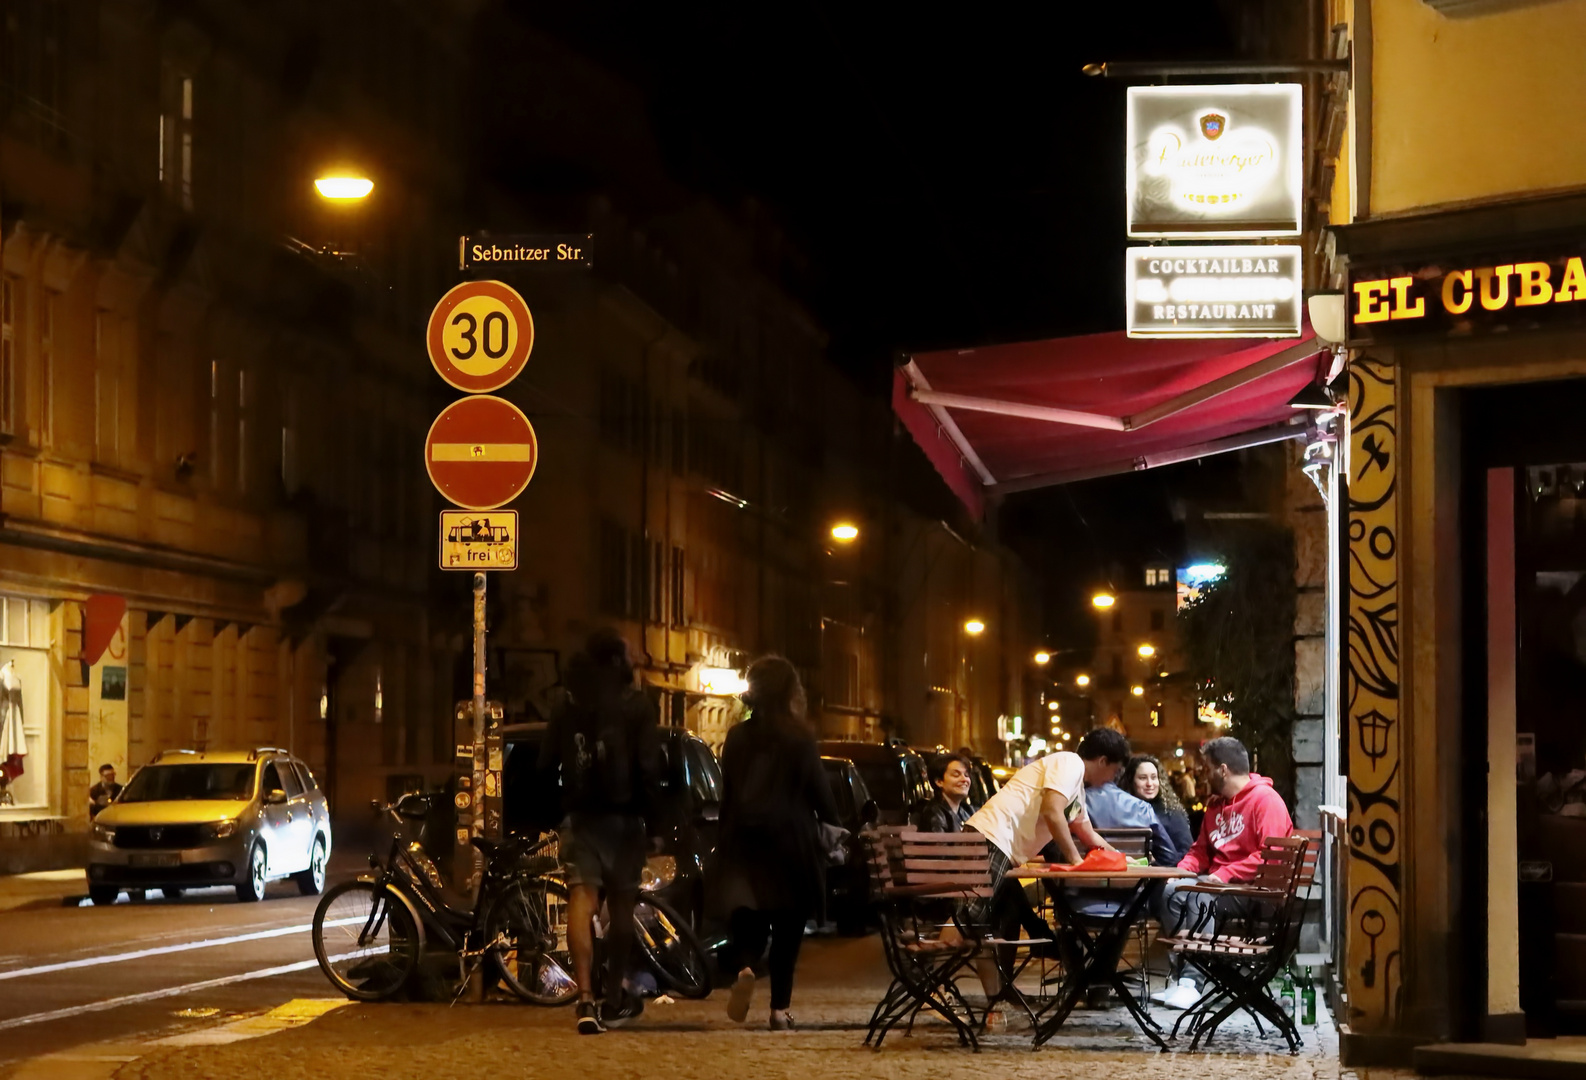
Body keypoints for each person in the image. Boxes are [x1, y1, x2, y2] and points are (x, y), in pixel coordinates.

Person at [537, 629, 662, 1035]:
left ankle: (585, 997)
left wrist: (558, 807)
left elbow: (545, 763)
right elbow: (648, 767)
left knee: (581, 897)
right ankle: (613, 994)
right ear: (616, 662)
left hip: (581, 817)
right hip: (625, 819)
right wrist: (654, 820)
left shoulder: (567, 703)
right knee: (623, 908)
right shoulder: (637, 706)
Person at [956, 728, 1128, 1019]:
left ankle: (999, 993)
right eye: (1115, 771)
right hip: (993, 836)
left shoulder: (1075, 785)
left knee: (1006, 913)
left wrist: (1122, 859)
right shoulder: (1069, 764)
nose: (1112, 778)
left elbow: (1085, 831)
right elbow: (1052, 811)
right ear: (1102, 760)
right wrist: (1074, 860)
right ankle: (938, 981)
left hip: (1001, 843)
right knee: (970, 916)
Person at [717, 655, 841, 1032]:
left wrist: (725, 840)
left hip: (745, 842)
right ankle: (778, 1010)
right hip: (792, 844)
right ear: (791, 691)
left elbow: (729, 792)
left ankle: (745, 966)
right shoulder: (800, 737)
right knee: (788, 930)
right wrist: (835, 827)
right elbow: (821, 795)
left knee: (749, 921)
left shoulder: (737, 737)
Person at [1153, 736, 1295, 1011]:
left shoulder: (1265, 801)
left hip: (1258, 892)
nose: (1204, 775)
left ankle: (1193, 982)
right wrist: (1181, 871)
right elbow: (1200, 851)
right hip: (1223, 888)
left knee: (1198, 895)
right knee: (1170, 891)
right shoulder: (1216, 805)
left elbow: (1270, 855)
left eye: (1207, 768)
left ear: (1223, 769)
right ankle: (1182, 977)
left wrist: (1226, 874)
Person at [1121, 754, 1193, 863]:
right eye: (1143, 778)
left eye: (1154, 778)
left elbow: (1187, 853)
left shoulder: (1171, 812)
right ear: (1131, 781)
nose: (1150, 784)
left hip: (1170, 874)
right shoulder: (1122, 811)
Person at [914, 753, 974, 832]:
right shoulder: (933, 814)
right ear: (939, 782)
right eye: (956, 775)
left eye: (966, 775)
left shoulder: (967, 811)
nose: (964, 779)